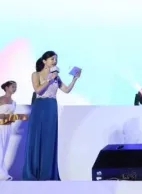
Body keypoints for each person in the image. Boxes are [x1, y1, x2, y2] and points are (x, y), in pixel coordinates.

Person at [23, 51, 81, 181]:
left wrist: (74, 79)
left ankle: (47, 173)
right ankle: (33, 172)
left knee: (49, 138)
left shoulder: (56, 77)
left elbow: (66, 90)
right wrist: (49, 79)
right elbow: (38, 90)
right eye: (52, 59)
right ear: (44, 61)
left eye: (56, 59)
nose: (55, 61)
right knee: (37, 137)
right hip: (39, 106)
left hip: (51, 107)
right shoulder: (36, 74)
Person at [0, 80, 18, 181]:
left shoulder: (14, 102)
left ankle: (2, 173)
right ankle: (2, 174)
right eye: (13, 86)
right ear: (6, 88)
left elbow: (12, 117)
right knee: (0, 149)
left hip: (7, 128)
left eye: (15, 87)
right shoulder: (0, 99)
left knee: (4, 149)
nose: (14, 88)